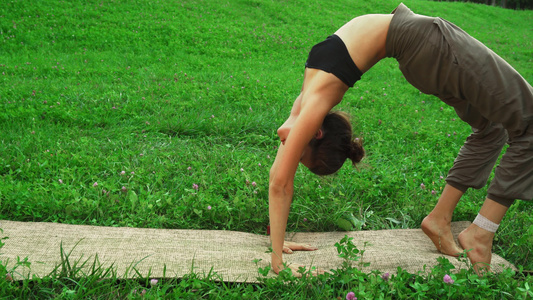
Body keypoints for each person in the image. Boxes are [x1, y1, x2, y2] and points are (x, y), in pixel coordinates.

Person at [268, 3, 532, 275]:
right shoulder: (311, 99)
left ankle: (440, 220)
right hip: (423, 46)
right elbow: (279, 180)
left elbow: (280, 181)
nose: (290, 150)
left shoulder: (310, 103)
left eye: (298, 152)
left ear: (315, 132)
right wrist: (278, 252)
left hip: (421, 47)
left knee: (492, 127)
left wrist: (277, 259)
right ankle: (481, 234)